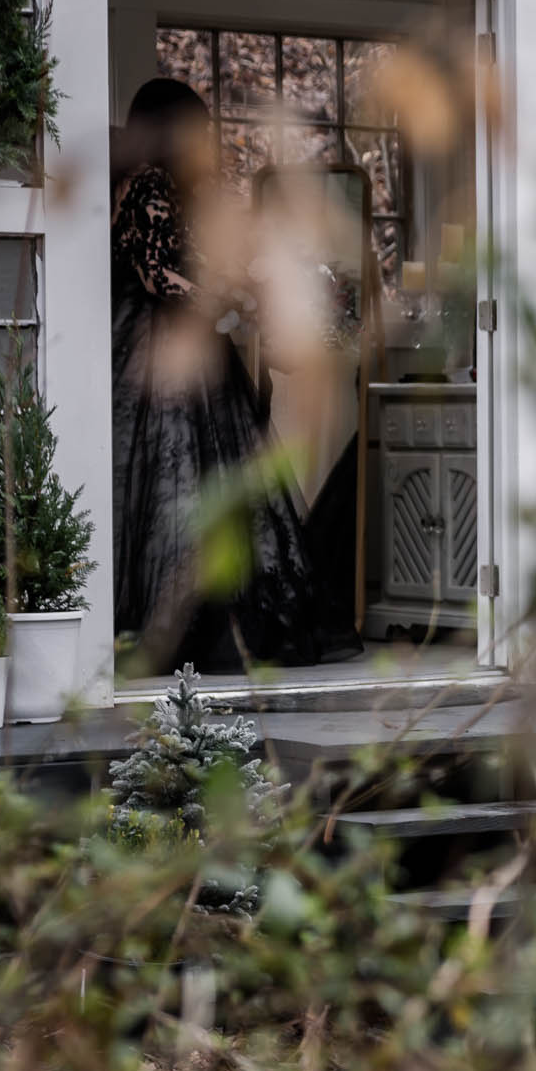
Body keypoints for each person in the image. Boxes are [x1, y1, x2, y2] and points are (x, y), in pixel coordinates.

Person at [111, 77, 352, 674]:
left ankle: (214, 622)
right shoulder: (146, 186)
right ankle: (177, 629)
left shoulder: (176, 190)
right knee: (174, 489)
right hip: (160, 357)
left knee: (212, 489)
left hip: (192, 355)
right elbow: (159, 275)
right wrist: (232, 299)